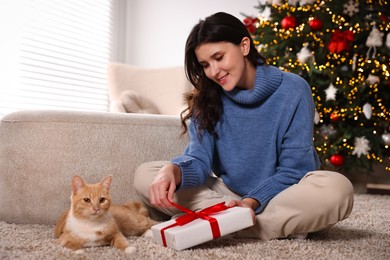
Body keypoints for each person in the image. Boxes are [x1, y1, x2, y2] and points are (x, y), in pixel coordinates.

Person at [133, 12, 354, 240]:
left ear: (244, 46)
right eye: (205, 65)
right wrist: (174, 171)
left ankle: (221, 224)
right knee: (147, 175)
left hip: (282, 194)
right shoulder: (206, 97)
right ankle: (257, 225)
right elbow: (199, 161)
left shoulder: (293, 90)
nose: (213, 72)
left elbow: (293, 170)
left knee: (337, 189)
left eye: (219, 57)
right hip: (227, 194)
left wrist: (250, 202)